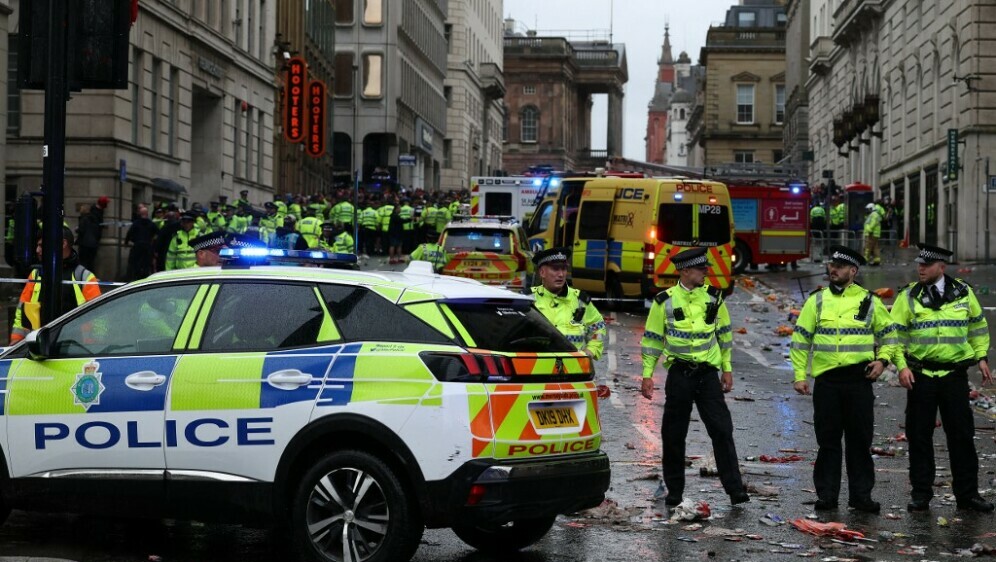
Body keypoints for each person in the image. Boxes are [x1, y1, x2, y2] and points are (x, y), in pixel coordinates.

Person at [789, 245, 900, 513]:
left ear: (853, 271)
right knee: (827, 442)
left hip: (858, 381)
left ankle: (860, 497)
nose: (833, 269)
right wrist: (799, 375)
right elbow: (801, 339)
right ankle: (827, 496)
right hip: (827, 382)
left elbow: (890, 336)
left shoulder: (869, 301)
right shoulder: (816, 300)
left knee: (859, 442)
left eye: (839, 266)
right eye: (832, 265)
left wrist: (883, 360)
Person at [640, 247, 749, 507]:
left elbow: (724, 334)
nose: (706, 273)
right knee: (674, 434)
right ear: (685, 270)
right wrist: (647, 375)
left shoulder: (714, 298)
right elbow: (652, 340)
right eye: (701, 269)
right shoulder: (664, 301)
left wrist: (728, 368)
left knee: (722, 430)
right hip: (679, 374)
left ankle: (735, 490)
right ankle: (674, 491)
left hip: (708, 375)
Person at [891, 244, 993, 512]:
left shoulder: (963, 292)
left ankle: (968, 495)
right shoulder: (909, 296)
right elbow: (895, 337)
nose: (920, 269)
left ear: (941, 267)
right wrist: (901, 366)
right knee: (919, 436)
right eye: (919, 265)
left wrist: (981, 357)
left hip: (954, 376)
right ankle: (921, 494)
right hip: (920, 375)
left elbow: (978, 327)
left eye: (926, 265)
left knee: (961, 436)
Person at [10, 227, 102, 344]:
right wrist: (16, 339)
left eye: (42, 245)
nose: (37, 250)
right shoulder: (35, 275)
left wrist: (96, 346)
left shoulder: (85, 277)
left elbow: (99, 317)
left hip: (76, 349)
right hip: (39, 345)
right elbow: (21, 311)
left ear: (63, 243)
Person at [530, 247, 605, 359]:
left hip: (573, 371)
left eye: (564, 269)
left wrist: (590, 351)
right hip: (536, 369)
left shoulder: (580, 300)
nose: (561, 274)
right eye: (555, 269)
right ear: (542, 272)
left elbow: (598, 327)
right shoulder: (528, 299)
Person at [125, 205, 157, 280]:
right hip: (147, 247)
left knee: (135, 265)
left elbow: (129, 233)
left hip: (137, 246)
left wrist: (126, 243)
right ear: (147, 213)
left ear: (140, 213)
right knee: (146, 265)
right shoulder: (151, 223)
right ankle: (145, 279)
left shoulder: (136, 223)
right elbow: (157, 233)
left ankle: (135, 278)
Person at [76, 203, 102, 272]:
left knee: (83, 263)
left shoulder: (84, 219)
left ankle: (83, 280)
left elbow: (81, 230)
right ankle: (91, 279)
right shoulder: (94, 219)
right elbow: (98, 232)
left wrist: (77, 230)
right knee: (91, 263)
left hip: (84, 244)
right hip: (93, 244)